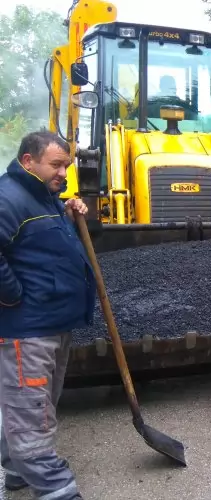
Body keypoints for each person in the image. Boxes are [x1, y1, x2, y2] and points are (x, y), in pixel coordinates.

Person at [0, 130, 96, 500]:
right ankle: (57, 489)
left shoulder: (45, 197)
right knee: (32, 413)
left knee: (34, 407)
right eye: (55, 165)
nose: (63, 172)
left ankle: (15, 470)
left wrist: (70, 216)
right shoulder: (9, 197)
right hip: (29, 329)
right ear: (29, 161)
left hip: (53, 324)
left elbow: (40, 249)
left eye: (66, 166)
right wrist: (11, 295)